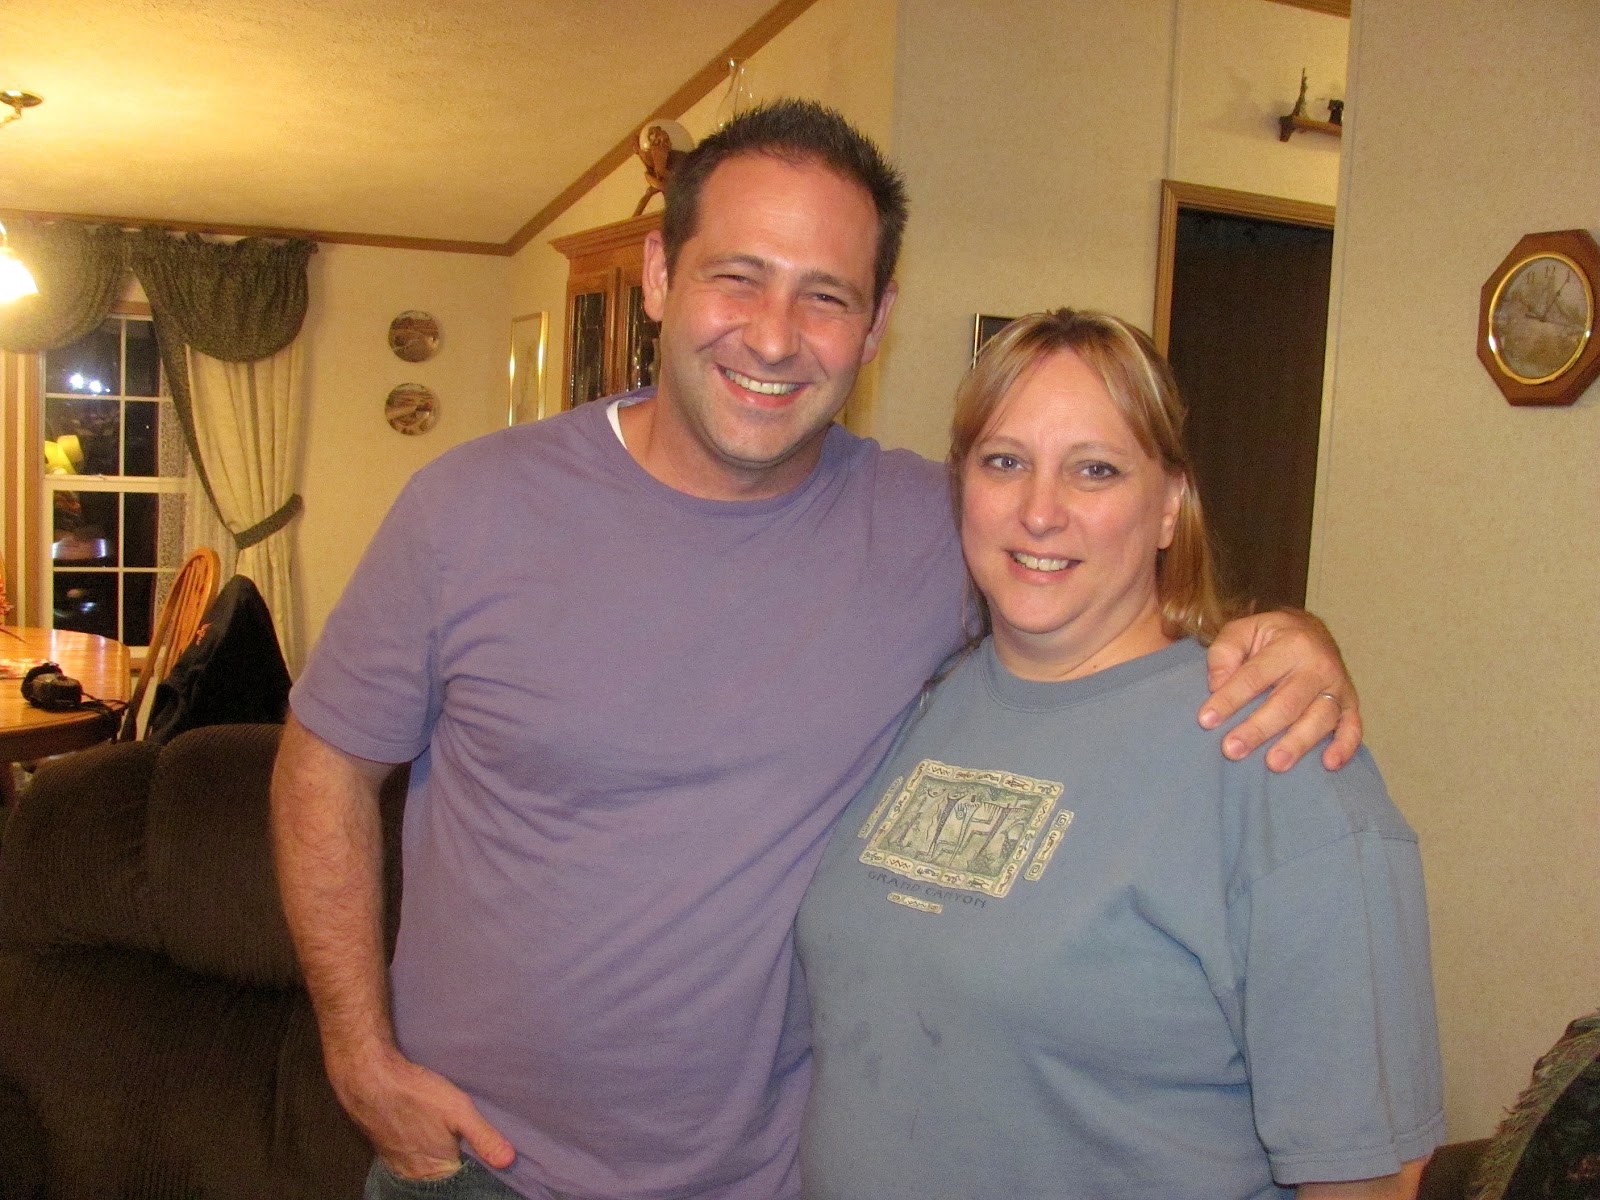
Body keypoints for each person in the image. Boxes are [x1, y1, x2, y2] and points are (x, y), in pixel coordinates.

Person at [271, 101, 1364, 1200]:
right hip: (479, 1169)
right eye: (737, 278)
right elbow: (323, 764)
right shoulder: (469, 509)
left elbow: (1093, 582)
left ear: (877, 325)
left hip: (772, 1179)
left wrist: (1284, 639)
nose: (774, 336)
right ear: (658, 276)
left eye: (825, 296)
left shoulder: (934, 528)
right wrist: (358, 1057)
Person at [795, 309, 1444, 1199]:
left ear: (1170, 503)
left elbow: (1370, 1177)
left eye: (1094, 469)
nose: (1040, 511)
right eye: (1004, 461)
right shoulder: (922, 695)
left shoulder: (1275, 759)